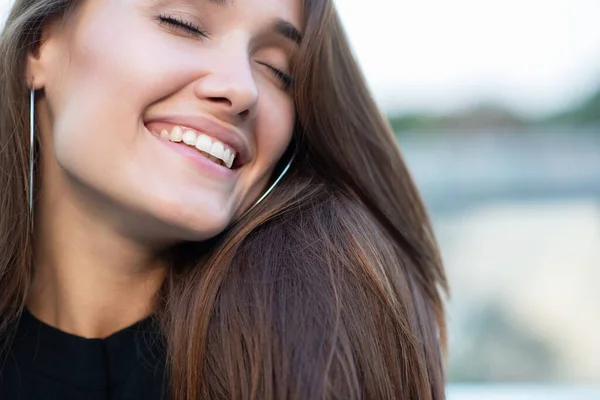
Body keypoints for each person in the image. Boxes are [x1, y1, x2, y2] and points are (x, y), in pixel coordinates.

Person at [0, 0, 449, 398]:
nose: (242, 89)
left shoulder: (322, 342)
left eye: (278, 71)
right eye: (183, 23)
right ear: (41, 43)